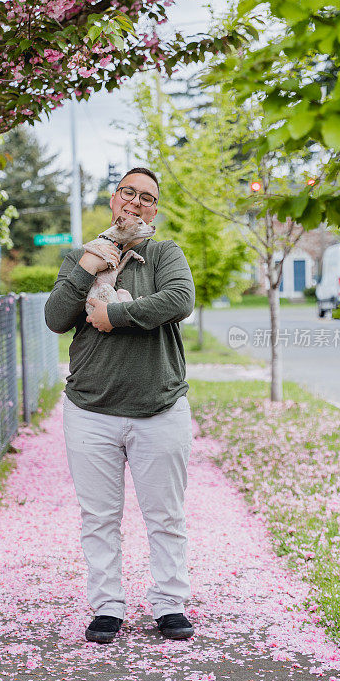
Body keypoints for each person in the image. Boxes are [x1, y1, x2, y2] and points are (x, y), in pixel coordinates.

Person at [44, 167, 196, 644]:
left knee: (166, 516)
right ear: (114, 200)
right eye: (128, 192)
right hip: (90, 412)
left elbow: (179, 299)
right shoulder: (79, 257)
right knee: (100, 518)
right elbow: (55, 318)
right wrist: (89, 266)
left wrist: (116, 315)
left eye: (146, 197)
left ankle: (170, 605)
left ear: (154, 209)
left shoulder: (163, 253)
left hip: (160, 409)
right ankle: (107, 607)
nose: (135, 202)